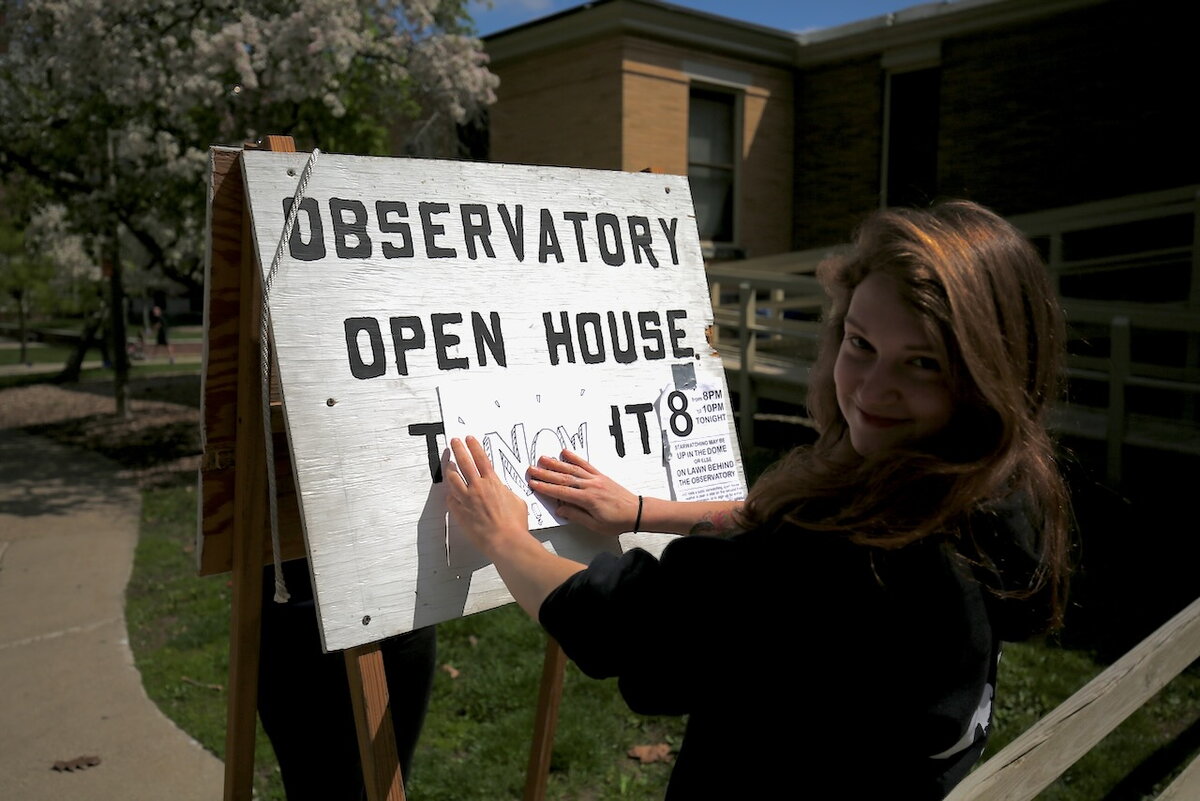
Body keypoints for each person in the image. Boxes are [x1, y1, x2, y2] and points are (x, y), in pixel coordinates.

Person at [444, 200, 1071, 799]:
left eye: (924, 363)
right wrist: (643, 512)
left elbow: (627, 626)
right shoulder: (1000, 488)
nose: (873, 389)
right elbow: (768, 529)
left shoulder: (852, 563)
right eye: (861, 344)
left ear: (988, 373)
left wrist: (505, 538)